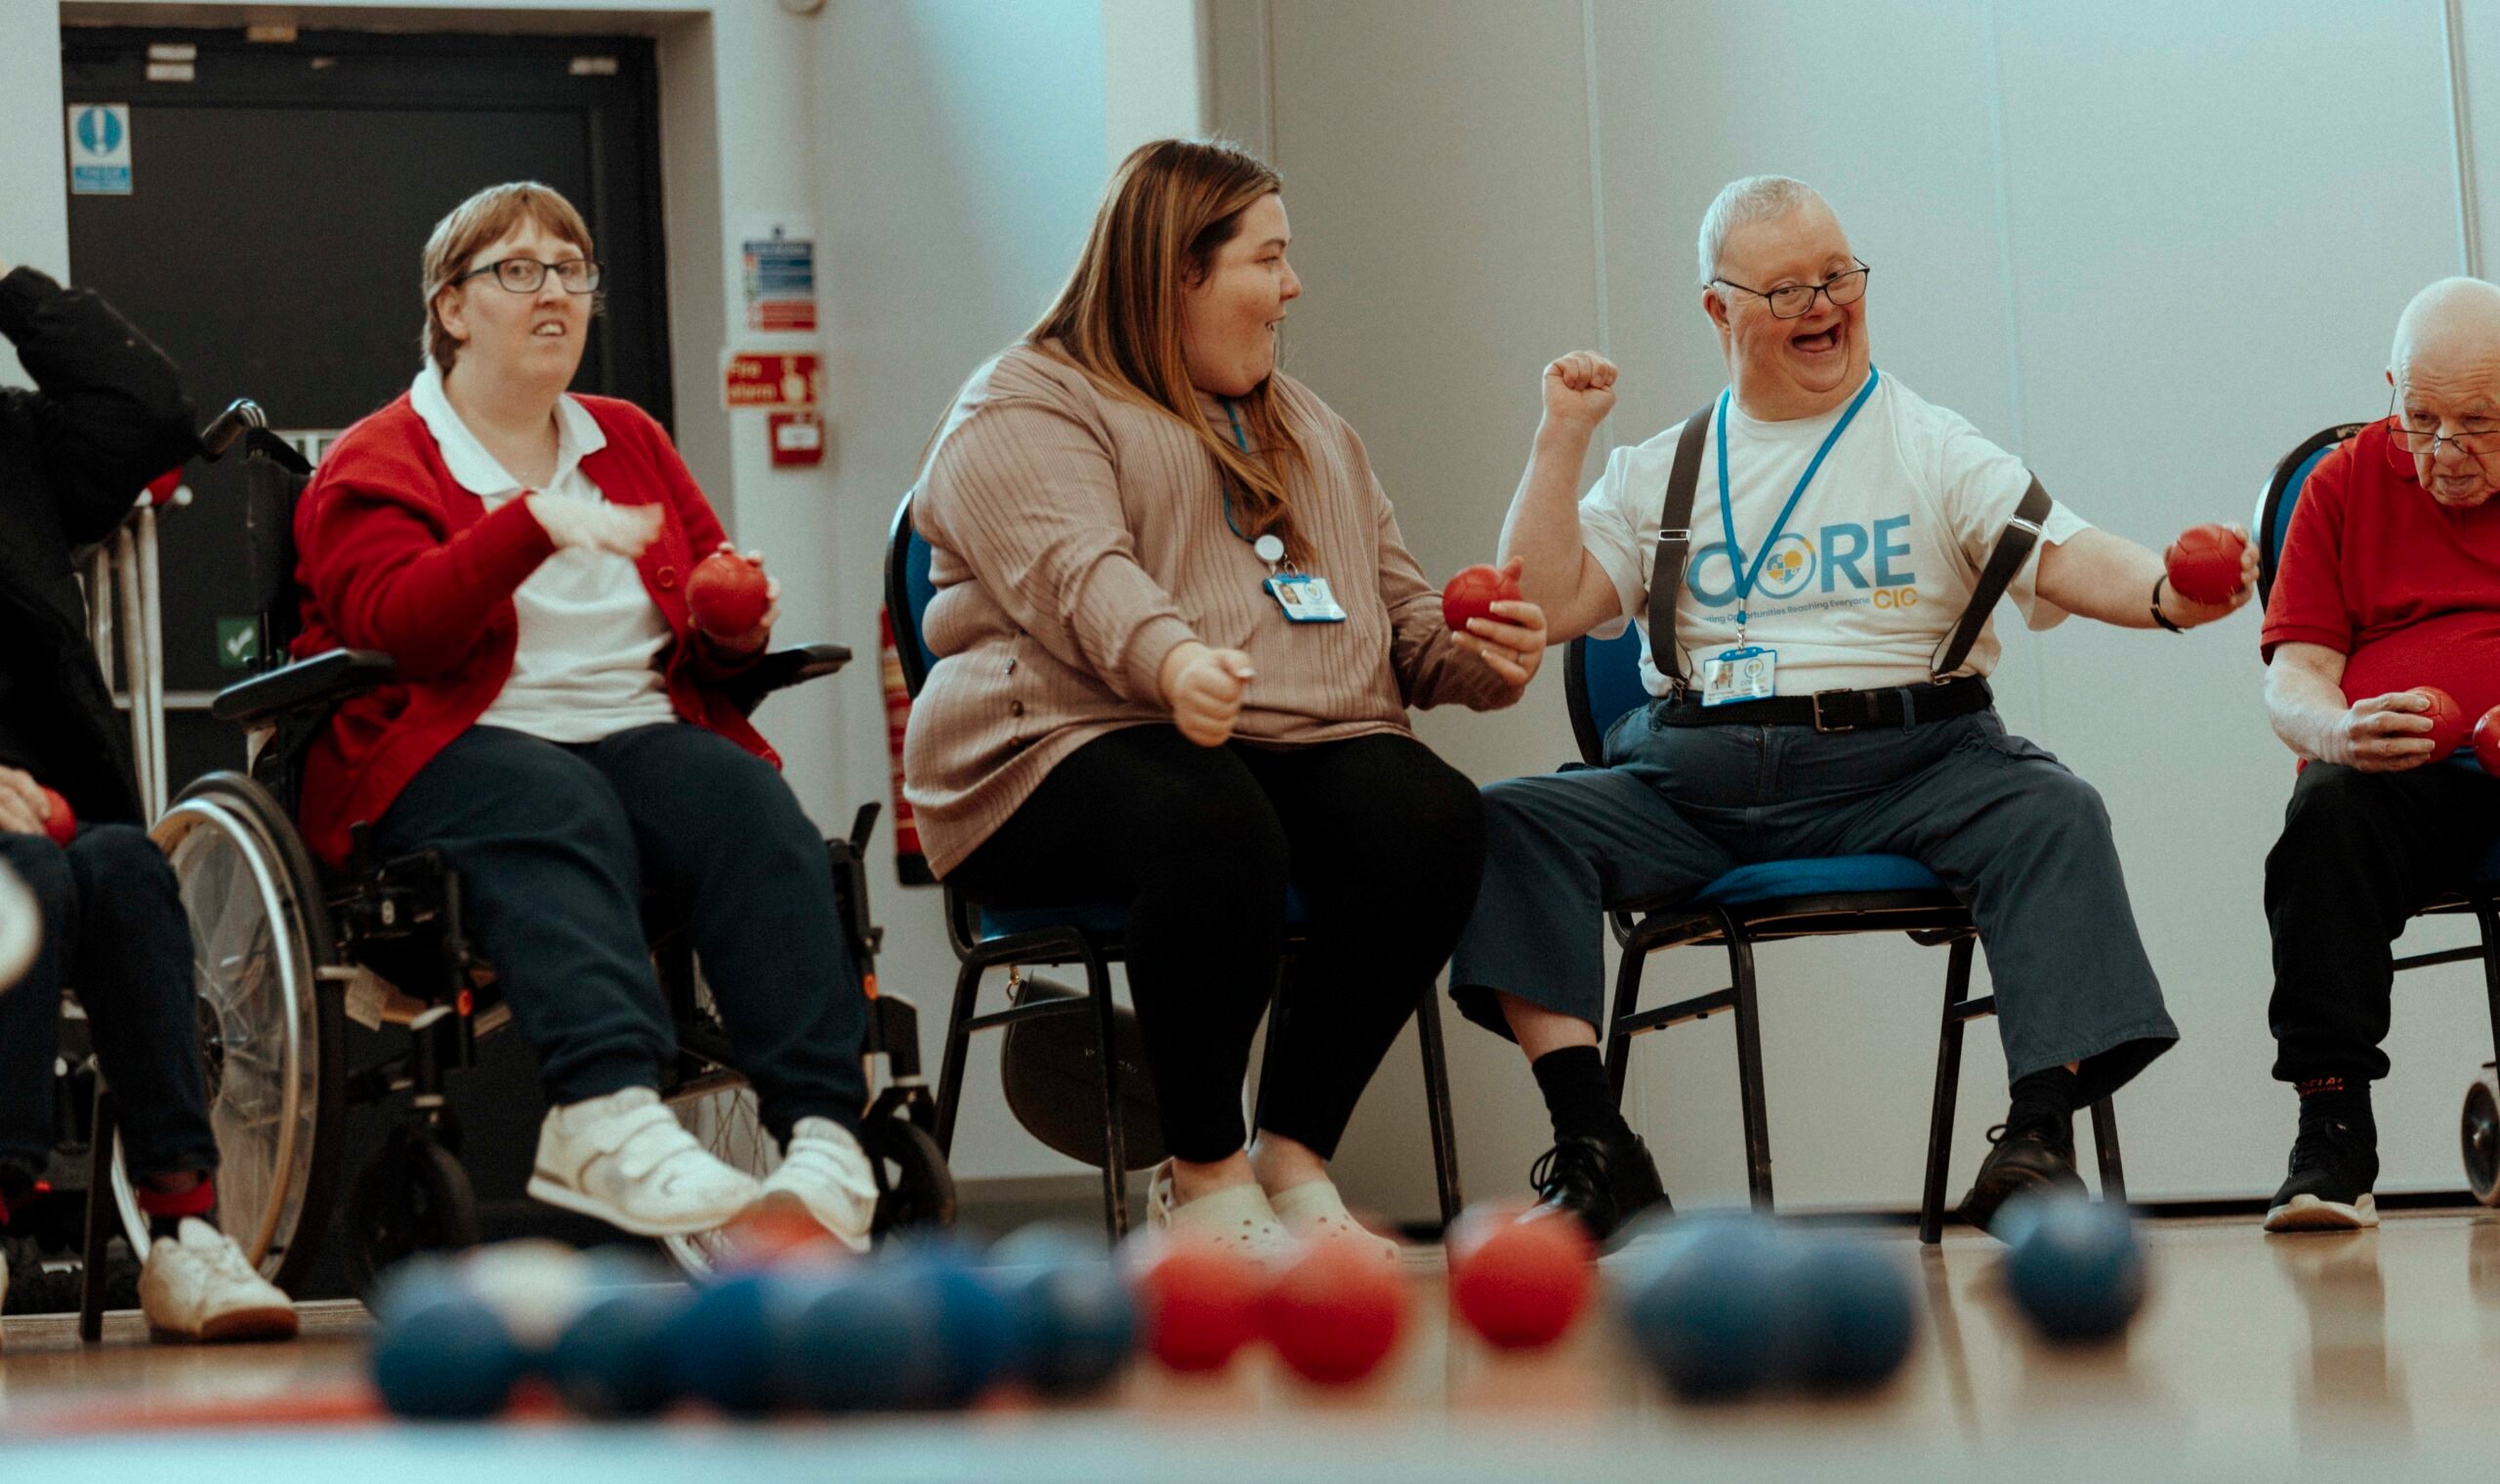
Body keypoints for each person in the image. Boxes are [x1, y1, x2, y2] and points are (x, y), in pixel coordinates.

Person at [1453, 175, 2253, 1242]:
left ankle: (2035, 1141)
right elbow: (1546, 601)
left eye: (1837, 276)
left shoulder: (1930, 443)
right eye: (1786, 289)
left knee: (2054, 814)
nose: (1823, 306)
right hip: (1696, 780)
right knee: (1509, 822)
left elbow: (2064, 558)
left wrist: (2165, 591)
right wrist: (1562, 435)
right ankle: (1598, 1148)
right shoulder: (1664, 467)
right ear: (1717, 309)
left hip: (1916, 767)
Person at [906, 139, 1542, 1260]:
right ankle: (1201, 1177)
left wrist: (1476, 657)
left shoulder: (1307, 426)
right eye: (1269, 258)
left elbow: (1396, 617)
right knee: (1205, 819)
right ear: (1175, 273)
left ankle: (1293, 1156)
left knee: (1432, 815)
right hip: (1047, 748)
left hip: (1262, 742)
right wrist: (1170, 661)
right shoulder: (1022, 401)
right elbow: (1076, 574)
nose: (1292, 288)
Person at [290, 184, 886, 1248]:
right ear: (453, 306)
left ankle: (824, 1135)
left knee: (748, 806)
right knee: (552, 795)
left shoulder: (626, 437)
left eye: (572, 269)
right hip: (444, 745)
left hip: (632, 732)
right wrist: (532, 524)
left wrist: (735, 627)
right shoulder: (376, 459)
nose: (554, 291)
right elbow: (395, 627)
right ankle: (604, 1111)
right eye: (518, 271)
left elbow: (702, 591)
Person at [0, 258, 297, 1339]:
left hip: (61, 819)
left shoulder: (16, 444)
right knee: (25, 874)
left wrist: (5, 282)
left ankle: (182, 1235)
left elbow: (149, 409)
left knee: (127, 866)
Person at [2257, 276, 2500, 1233]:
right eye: (2420, 416)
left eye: (2477, 421)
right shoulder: (2347, 478)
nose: (2443, 451)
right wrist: (2336, 730)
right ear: (2389, 386)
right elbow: (2296, 674)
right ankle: (2331, 1133)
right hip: (2402, 784)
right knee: (2324, 812)